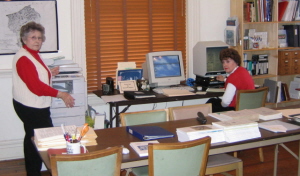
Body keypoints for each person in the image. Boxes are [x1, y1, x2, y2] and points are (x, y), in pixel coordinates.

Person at [12, 21, 75, 176]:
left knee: (32, 138)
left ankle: (33, 172)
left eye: (40, 38)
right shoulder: (24, 58)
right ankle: (42, 171)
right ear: (24, 39)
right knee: (44, 139)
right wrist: (62, 94)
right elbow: (36, 87)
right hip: (31, 107)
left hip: (29, 104)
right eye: (33, 37)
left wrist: (49, 73)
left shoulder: (31, 54)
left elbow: (35, 75)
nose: (38, 41)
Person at [207, 48, 255, 112]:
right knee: (214, 101)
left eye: (228, 61)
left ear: (236, 61)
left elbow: (225, 102)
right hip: (247, 107)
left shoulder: (233, 77)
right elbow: (237, 82)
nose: (225, 65)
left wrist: (221, 103)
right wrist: (225, 80)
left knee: (210, 103)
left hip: (234, 109)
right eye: (223, 62)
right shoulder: (243, 70)